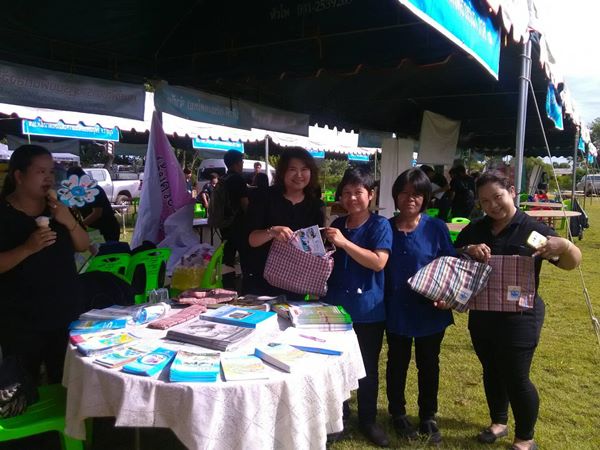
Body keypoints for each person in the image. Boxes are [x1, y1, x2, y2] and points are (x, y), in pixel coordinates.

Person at [454, 171, 581, 450]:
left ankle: (525, 437)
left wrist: (566, 245)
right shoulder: (476, 228)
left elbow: (570, 263)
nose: (492, 205)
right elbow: (453, 254)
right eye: (485, 201)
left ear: (512, 192)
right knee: (491, 370)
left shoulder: (532, 231)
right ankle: (498, 422)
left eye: (497, 197)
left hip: (520, 316)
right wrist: (469, 249)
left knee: (516, 376)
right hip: (483, 312)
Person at [0, 145, 89, 384]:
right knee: (22, 388)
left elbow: (83, 245)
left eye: (51, 171)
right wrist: (27, 248)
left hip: (65, 314)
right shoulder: (4, 215)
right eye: (40, 172)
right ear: (19, 176)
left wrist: (68, 220)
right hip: (20, 321)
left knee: (66, 384)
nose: (49, 178)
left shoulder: (58, 209)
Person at [384, 168, 456, 444]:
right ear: (395, 196)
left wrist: (446, 296)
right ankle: (397, 412)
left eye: (416, 194)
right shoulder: (385, 227)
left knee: (429, 363)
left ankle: (428, 415)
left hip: (430, 309)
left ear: (425, 197)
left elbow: (448, 264)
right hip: (396, 308)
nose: (410, 199)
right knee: (397, 362)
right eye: (404, 193)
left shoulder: (436, 227)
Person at [322, 168, 392, 447]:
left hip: (367, 309)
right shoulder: (338, 223)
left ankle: (368, 420)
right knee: (335, 364)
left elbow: (378, 262)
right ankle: (339, 416)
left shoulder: (380, 225)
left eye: (358, 192)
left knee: (366, 367)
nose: (352, 198)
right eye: (347, 193)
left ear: (370, 195)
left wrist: (343, 242)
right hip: (335, 307)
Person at [247, 148, 324, 298]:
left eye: (304, 169)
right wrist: (271, 232)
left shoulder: (316, 206)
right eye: (292, 169)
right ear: (282, 172)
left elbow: (315, 250)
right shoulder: (264, 197)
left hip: (297, 285)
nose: (299, 175)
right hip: (262, 283)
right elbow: (251, 240)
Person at [67, 166, 121, 242]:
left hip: (107, 228)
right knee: (93, 249)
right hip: (93, 230)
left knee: (104, 249)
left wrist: (80, 226)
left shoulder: (94, 190)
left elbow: (96, 213)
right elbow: (75, 208)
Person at [219, 151, 249, 278]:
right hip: (238, 223)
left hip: (225, 222)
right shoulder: (238, 179)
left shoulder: (223, 178)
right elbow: (245, 203)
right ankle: (246, 281)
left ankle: (227, 281)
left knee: (228, 255)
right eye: (242, 162)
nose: (242, 164)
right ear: (237, 163)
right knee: (245, 255)